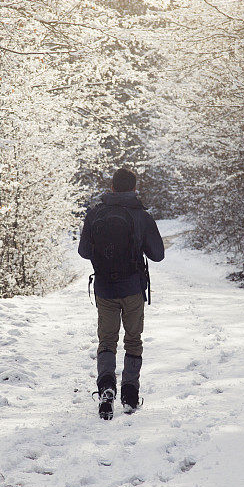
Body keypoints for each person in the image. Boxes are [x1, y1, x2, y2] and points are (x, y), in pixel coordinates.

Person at [78, 168, 164, 419]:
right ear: (134, 188)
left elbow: (84, 252)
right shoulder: (141, 216)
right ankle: (130, 393)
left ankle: (106, 388)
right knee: (133, 339)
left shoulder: (95, 213)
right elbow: (158, 254)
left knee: (107, 340)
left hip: (105, 287)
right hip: (133, 288)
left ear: (112, 187)